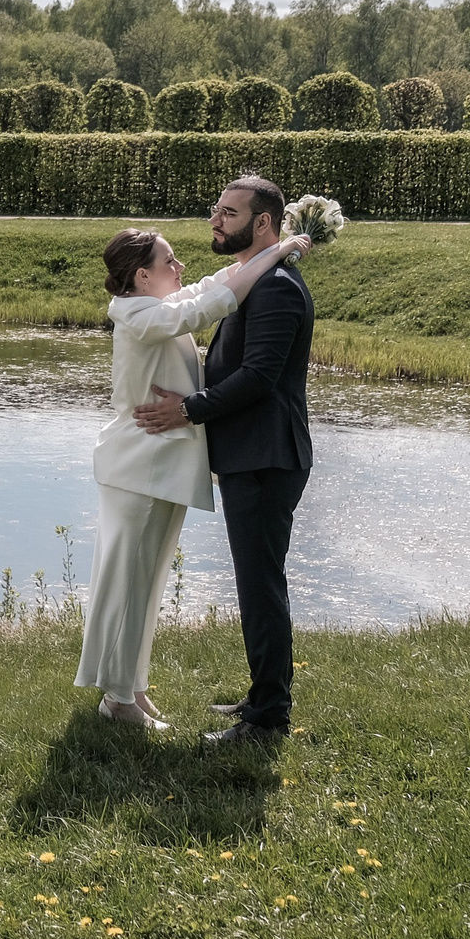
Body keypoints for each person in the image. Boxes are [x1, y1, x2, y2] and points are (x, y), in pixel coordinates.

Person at [80, 219, 309, 731]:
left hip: (155, 466)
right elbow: (208, 306)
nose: (180, 268)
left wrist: (262, 255)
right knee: (129, 582)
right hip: (137, 467)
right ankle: (116, 699)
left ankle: (131, 690)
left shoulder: (152, 308)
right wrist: (275, 254)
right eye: (169, 262)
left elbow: (207, 288)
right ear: (141, 277)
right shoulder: (139, 315)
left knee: (148, 579)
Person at [132, 176, 316, 745]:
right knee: (257, 581)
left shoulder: (278, 287)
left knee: (261, 585)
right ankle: (264, 697)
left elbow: (258, 378)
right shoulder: (253, 279)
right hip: (252, 453)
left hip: (267, 455)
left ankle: (267, 719)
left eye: (229, 213)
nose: (215, 220)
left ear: (264, 223)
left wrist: (189, 410)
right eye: (216, 209)